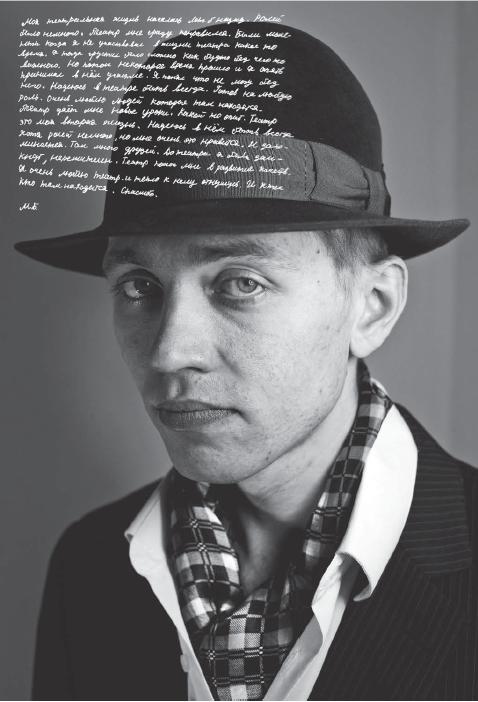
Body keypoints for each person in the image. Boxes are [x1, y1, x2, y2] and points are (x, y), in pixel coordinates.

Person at [15, 21, 477, 701]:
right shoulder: (89, 567)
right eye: (139, 287)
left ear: (372, 306)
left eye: (240, 283)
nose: (170, 351)